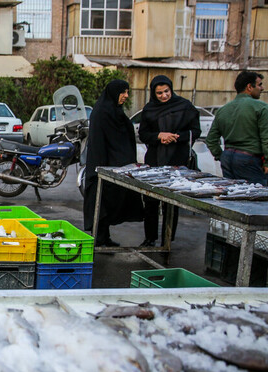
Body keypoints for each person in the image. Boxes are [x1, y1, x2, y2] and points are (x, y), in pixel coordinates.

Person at [139, 75, 202, 247]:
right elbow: (143, 134)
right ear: (154, 93)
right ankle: (150, 237)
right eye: (159, 93)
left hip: (177, 158)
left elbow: (196, 130)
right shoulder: (149, 109)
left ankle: (168, 238)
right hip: (154, 159)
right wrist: (159, 136)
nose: (164, 96)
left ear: (171, 89)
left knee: (171, 202)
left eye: (166, 91)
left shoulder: (185, 106)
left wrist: (176, 137)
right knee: (151, 200)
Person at [83, 79, 144, 246]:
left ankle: (104, 238)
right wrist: (104, 166)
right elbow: (102, 141)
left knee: (108, 202)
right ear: (114, 93)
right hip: (104, 164)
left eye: (127, 92)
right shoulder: (103, 112)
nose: (126, 96)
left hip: (115, 165)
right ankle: (100, 239)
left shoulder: (113, 111)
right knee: (102, 201)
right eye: (122, 92)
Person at [205, 71, 268, 185]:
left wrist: (221, 156)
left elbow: (211, 140)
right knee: (257, 197)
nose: (262, 88)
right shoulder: (261, 108)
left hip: (228, 159)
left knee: (232, 196)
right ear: (249, 87)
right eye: (259, 84)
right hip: (250, 160)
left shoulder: (223, 110)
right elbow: (266, 139)